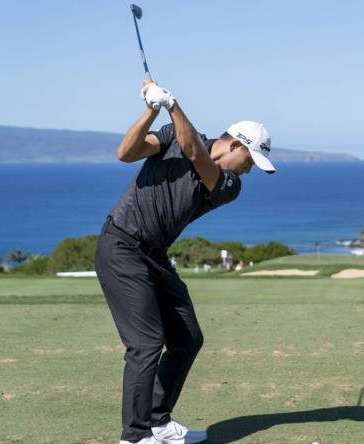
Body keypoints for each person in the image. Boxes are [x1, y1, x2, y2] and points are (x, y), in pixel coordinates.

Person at [94, 79, 276, 444]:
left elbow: (195, 153)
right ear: (236, 145)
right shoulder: (171, 135)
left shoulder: (227, 185)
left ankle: (158, 421)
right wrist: (152, 109)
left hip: (154, 255)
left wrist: (172, 104)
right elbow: (125, 153)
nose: (249, 170)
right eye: (249, 160)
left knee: (187, 337)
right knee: (146, 343)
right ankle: (134, 436)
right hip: (121, 246)